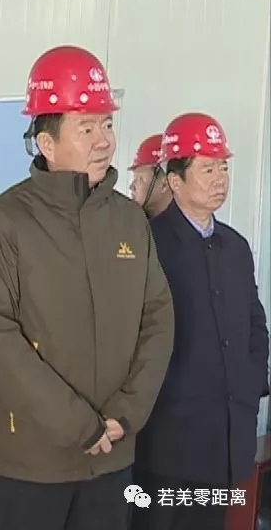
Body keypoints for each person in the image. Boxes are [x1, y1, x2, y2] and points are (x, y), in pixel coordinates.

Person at [0, 44, 176, 530]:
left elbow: (158, 320)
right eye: (86, 128)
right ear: (46, 141)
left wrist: (126, 413)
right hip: (29, 464)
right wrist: (79, 425)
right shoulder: (4, 221)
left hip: (112, 458)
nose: (104, 141)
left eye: (107, 124)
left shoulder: (129, 220)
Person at [131, 112, 270, 530]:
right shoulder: (150, 244)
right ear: (175, 181)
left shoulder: (235, 247)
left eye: (223, 167)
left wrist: (250, 384)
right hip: (168, 441)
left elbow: (255, 327)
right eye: (207, 169)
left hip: (223, 439)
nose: (220, 179)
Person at [128, 133, 173, 218]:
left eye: (140, 178)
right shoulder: (131, 222)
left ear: (164, 184)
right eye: (134, 178)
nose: (131, 187)